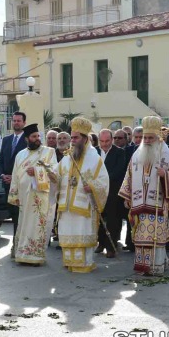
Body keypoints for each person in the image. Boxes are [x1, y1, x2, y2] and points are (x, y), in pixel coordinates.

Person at [120, 116, 169, 276]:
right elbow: (128, 175)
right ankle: (143, 265)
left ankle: (157, 265)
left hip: (158, 204)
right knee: (141, 235)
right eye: (145, 137)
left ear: (158, 138)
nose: (147, 140)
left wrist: (166, 175)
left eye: (150, 137)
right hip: (139, 204)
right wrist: (127, 196)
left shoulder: (167, 155)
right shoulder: (136, 154)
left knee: (155, 236)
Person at [56, 117, 109, 273]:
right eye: (71, 137)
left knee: (81, 232)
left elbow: (104, 182)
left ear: (85, 139)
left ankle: (84, 262)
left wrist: (92, 186)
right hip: (66, 207)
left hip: (84, 206)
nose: (72, 141)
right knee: (69, 232)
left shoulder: (95, 158)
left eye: (75, 137)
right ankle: (69, 261)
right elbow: (58, 176)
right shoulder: (67, 157)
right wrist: (52, 177)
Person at [8, 124, 58, 265]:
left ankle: (35, 256)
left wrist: (37, 171)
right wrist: (14, 195)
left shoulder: (49, 152)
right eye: (33, 137)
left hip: (40, 197)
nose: (37, 139)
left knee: (37, 225)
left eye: (38, 136)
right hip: (24, 197)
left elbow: (55, 171)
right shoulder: (20, 154)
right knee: (24, 224)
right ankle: (22, 253)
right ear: (27, 139)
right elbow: (15, 175)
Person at [95, 129, 126, 258]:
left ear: (112, 139)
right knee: (98, 220)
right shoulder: (94, 152)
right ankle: (100, 243)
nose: (105, 144)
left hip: (113, 192)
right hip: (97, 192)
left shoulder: (120, 153)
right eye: (102, 141)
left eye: (107, 141)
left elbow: (119, 171)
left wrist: (103, 180)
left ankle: (111, 247)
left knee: (113, 220)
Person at [0, 112, 27, 243]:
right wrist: (3, 175)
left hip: (21, 184)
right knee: (12, 213)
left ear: (24, 123)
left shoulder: (28, 140)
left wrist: (14, 177)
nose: (16, 123)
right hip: (7, 184)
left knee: (19, 215)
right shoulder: (6, 140)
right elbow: (1, 160)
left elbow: (28, 163)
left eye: (19, 121)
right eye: (14, 120)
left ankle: (18, 241)